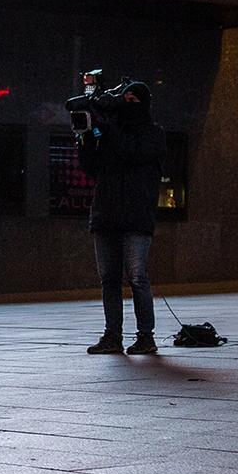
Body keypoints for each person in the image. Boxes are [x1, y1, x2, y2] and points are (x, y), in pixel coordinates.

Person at [79, 81, 167, 354]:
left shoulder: (153, 134)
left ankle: (145, 336)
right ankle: (112, 336)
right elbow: (92, 168)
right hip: (106, 213)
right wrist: (85, 139)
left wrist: (108, 126)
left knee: (138, 276)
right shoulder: (109, 132)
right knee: (109, 278)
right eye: (123, 99)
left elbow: (132, 151)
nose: (126, 106)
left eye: (132, 100)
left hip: (136, 216)